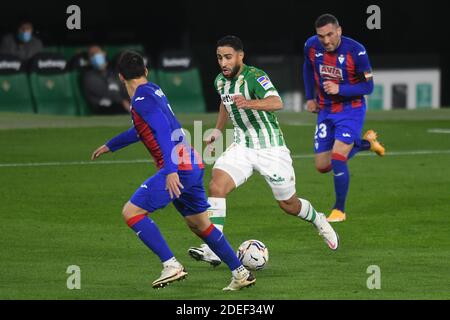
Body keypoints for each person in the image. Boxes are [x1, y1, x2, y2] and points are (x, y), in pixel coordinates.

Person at [91, 51, 255, 291]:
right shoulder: (153, 90)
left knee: (132, 212)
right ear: (145, 72)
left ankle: (171, 265)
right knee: (200, 225)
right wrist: (111, 145)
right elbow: (142, 130)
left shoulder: (141, 99)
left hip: (179, 168)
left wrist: (170, 171)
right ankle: (240, 273)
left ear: (119, 77)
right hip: (191, 164)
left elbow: (163, 132)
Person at [188, 35, 339, 267]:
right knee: (216, 186)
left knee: (289, 204)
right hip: (242, 146)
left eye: (228, 57)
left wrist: (248, 103)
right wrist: (218, 130)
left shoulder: (255, 77)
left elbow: (277, 102)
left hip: (271, 149)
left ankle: (319, 220)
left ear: (240, 56)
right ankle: (213, 248)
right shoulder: (220, 81)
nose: (223, 63)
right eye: (219, 58)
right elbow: (224, 103)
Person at [303, 14, 385, 222]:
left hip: (351, 109)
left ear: (339, 31)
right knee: (322, 165)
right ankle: (366, 143)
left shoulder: (356, 51)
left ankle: (339, 210)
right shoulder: (311, 46)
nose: (326, 40)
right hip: (326, 110)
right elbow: (307, 67)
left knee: (338, 158)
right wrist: (309, 97)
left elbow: (368, 87)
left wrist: (341, 88)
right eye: (321, 36)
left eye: (330, 34)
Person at [81, 45, 130, 114]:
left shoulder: (112, 72)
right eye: (92, 55)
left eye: (97, 53)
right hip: (104, 108)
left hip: (121, 106)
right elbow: (103, 92)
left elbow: (123, 88)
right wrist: (121, 101)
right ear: (89, 59)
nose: (96, 56)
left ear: (104, 53)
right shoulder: (88, 76)